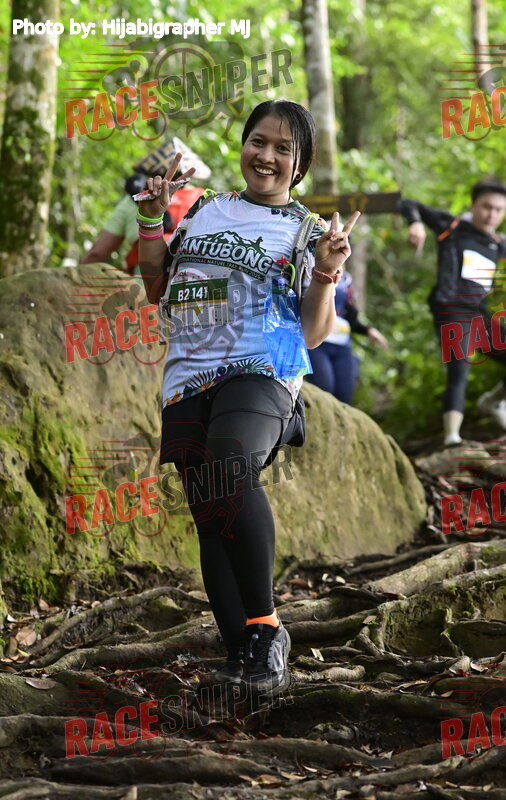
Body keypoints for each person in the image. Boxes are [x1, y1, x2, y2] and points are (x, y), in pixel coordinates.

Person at [136, 100, 359, 699]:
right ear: (243, 145)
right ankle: (245, 661)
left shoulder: (309, 231)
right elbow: (156, 286)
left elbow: (314, 333)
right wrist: (152, 221)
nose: (266, 156)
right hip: (188, 376)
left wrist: (325, 272)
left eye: (283, 149)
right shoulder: (204, 210)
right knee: (211, 516)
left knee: (231, 467)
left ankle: (267, 629)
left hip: (263, 369)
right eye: (258, 141)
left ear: (300, 165)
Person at [398, 178, 506, 447]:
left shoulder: (500, 244)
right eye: (486, 207)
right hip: (450, 307)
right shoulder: (453, 227)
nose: (491, 214)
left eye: (498, 209)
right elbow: (408, 203)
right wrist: (415, 223)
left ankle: (493, 402)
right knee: (459, 365)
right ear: (474, 205)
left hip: (478, 313)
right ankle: (452, 437)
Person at [81, 138, 209, 274]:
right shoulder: (205, 199)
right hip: (194, 279)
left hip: (146, 281)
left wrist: (75, 279)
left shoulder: (136, 199)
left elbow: (97, 254)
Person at [306, 270, 388, 403]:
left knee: (344, 394)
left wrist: (368, 330)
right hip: (317, 344)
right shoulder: (309, 268)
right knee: (324, 391)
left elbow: (351, 317)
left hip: (342, 346)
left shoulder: (346, 279)